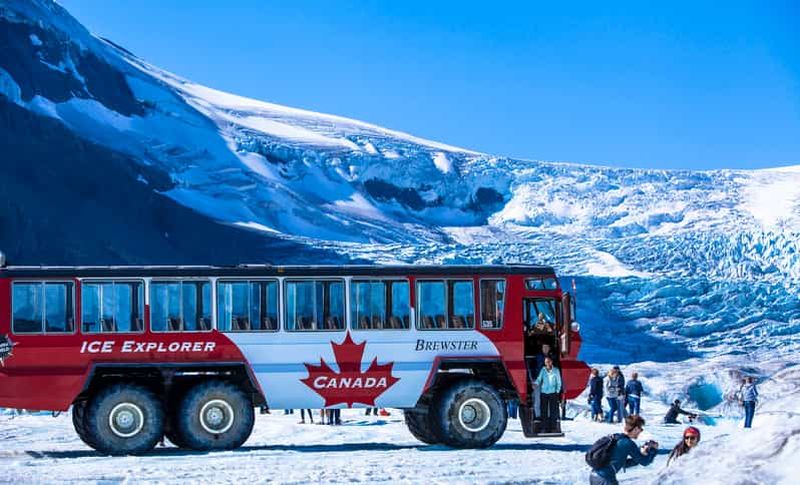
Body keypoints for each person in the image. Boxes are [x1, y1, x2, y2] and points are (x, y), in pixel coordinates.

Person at [589, 415, 658, 485]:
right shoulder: (627, 443)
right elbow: (645, 462)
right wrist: (653, 450)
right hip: (606, 479)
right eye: (641, 429)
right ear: (636, 428)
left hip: (594, 476)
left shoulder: (616, 437)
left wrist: (640, 455)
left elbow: (623, 463)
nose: (641, 432)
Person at [534, 356, 562, 433]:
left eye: (549, 361)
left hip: (553, 393)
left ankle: (553, 427)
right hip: (544, 393)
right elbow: (539, 379)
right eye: (546, 362)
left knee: (553, 411)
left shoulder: (556, 370)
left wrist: (557, 391)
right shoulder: (543, 370)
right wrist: (535, 384)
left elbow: (559, 382)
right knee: (544, 411)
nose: (547, 363)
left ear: (551, 362)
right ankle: (544, 427)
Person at [531, 343, 554, 419]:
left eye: (546, 347)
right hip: (538, 379)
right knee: (537, 398)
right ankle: (538, 415)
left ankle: (546, 415)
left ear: (549, 348)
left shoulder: (551, 357)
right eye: (543, 347)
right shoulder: (538, 356)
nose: (545, 349)